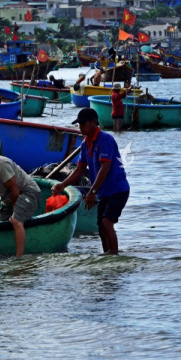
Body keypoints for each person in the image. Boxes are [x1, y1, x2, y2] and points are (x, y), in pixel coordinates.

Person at [52, 107, 130, 255]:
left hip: (118, 189)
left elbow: (105, 167)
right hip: (104, 191)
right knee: (100, 226)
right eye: (79, 125)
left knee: (107, 223)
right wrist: (62, 185)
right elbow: (80, 170)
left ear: (94, 122)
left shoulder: (105, 139)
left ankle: (114, 256)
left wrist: (92, 192)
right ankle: (106, 255)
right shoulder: (85, 143)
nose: (80, 127)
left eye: (83, 124)